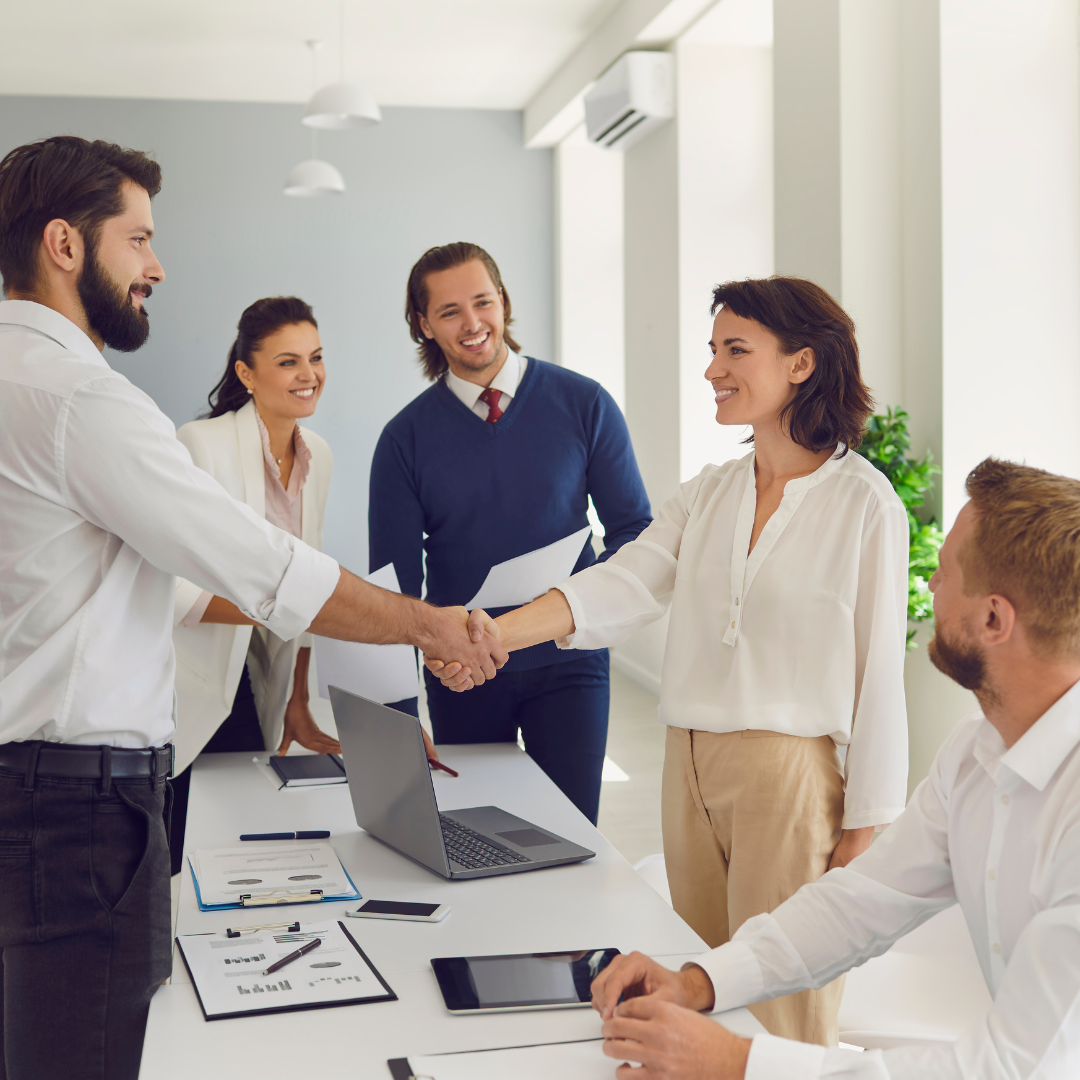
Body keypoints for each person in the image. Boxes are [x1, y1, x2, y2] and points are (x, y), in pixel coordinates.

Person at [0, 135, 503, 1080]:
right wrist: (432, 624)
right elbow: (268, 571)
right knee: (89, 1051)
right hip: (73, 805)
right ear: (65, 245)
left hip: (40, 785)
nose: (157, 265)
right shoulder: (83, 401)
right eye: (138, 238)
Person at [428, 276, 911, 1045]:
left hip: (787, 776)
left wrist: (866, 826)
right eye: (713, 350)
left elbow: (879, 673)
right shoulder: (711, 492)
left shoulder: (865, 502)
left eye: (735, 350)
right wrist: (492, 633)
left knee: (782, 1008)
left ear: (801, 364)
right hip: (688, 766)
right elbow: (622, 582)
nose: (714, 368)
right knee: (697, 985)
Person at [588, 457, 1080, 1080]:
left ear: (993, 619)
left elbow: (1008, 1068)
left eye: (947, 572)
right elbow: (859, 904)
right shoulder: (973, 755)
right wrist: (698, 981)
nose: (929, 586)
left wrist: (733, 1062)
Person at [369, 242, 651, 824]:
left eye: (483, 302)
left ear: (504, 303)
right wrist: (398, 715)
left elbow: (632, 534)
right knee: (479, 834)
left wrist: (594, 617)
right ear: (424, 325)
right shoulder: (404, 440)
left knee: (572, 836)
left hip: (569, 664)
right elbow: (393, 590)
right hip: (462, 674)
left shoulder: (585, 404)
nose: (473, 324)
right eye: (449, 312)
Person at [166, 296, 339, 877]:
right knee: (196, 837)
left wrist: (298, 700)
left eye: (315, 358)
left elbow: (309, 571)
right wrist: (277, 611)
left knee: (244, 837)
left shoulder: (320, 455)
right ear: (246, 372)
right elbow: (173, 586)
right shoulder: (201, 444)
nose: (308, 375)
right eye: (288, 362)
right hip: (198, 674)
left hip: (265, 675)